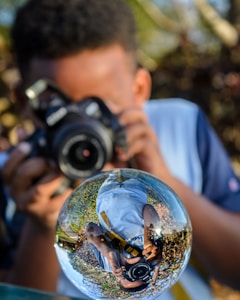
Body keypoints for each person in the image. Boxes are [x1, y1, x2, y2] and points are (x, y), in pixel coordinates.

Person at [0, 0, 240, 299]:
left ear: (139, 89)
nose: (83, 128)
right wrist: (39, 225)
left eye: (101, 107)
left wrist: (166, 181)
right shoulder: (14, 177)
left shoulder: (179, 126)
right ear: (25, 103)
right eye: (58, 109)